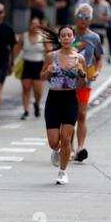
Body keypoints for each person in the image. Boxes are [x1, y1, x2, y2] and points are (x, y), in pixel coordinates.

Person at [39, 26, 87, 185]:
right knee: (54, 142)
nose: (66, 38)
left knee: (66, 138)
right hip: (53, 99)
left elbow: (82, 84)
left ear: (74, 38)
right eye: (63, 36)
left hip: (70, 100)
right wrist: (48, 71)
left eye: (69, 35)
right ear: (59, 39)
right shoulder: (51, 56)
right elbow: (41, 77)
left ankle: (63, 171)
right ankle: (59, 150)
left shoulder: (79, 59)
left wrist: (82, 74)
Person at [70, 3, 103, 162]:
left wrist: (96, 71)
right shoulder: (68, 35)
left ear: (90, 20)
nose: (83, 20)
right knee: (69, 116)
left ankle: (80, 148)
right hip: (67, 83)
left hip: (85, 83)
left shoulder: (94, 38)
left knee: (82, 114)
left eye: (86, 17)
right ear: (76, 17)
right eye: (81, 17)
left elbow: (99, 59)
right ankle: (68, 149)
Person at [14, 17, 49, 120]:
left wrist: (50, 63)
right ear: (29, 25)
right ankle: (25, 110)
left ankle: (37, 104)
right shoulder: (23, 36)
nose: (34, 26)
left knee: (38, 90)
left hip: (39, 65)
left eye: (36, 24)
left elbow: (49, 51)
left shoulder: (43, 37)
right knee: (26, 88)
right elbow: (17, 49)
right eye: (32, 24)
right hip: (27, 64)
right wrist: (11, 62)